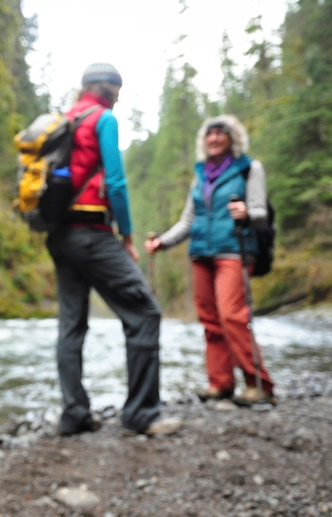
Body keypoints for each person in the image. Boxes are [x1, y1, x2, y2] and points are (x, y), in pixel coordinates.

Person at [47, 62, 182, 436]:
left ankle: (74, 414)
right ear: (108, 89)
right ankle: (141, 414)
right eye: (118, 89)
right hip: (92, 232)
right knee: (145, 314)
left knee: (71, 327)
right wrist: (126, 234)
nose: (120, 95)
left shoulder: (63, 119)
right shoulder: (103, 119)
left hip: (59, 236)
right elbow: (117, 182)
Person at [145, 115, 277, 407]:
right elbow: (188, 219)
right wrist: (162, 242)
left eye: (220, 133)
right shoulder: (201, 173)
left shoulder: (249, 169)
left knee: (232, 316)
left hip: (234, 251)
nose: (214, 138)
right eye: (209, 134)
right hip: (201, 253)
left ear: (233, 138)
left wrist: (246, 211)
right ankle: (221, 383)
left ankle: (260, 384)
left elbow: (260, 212)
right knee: (210, 321)